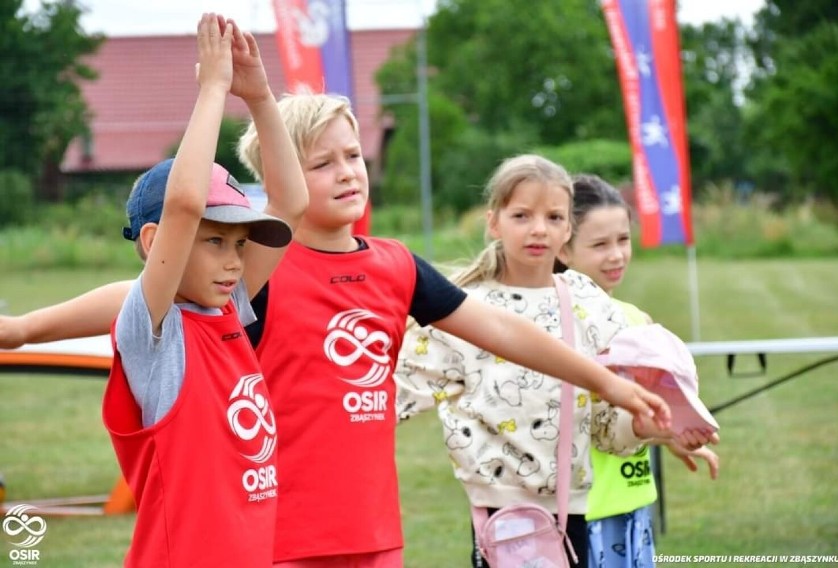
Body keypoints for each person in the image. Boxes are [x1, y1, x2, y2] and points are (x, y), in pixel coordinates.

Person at [0, 96, 671, 567]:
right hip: (275, 537)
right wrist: (28, 327)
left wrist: (607, 381)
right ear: (284, 176)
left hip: (374, 534)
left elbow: (498, 327)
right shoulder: (251, 268)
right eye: (323, 163)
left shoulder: (396, 265)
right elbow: (143, 297)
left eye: (352, 154)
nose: (348, 170)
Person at [393, 155, 719, 568]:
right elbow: (386, 399)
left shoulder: (591, 307)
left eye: (553, 217)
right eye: (522, 215)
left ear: (567, 230)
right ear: (494, 222)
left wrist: (646, 426)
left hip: (577, 517)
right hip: (501, 520)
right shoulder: (462, 313)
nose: (538, 229)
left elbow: (605, 429)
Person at [99, 14, 306, 566]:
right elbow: (185, 205)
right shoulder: (156, 330)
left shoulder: (229, 311)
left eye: (240, 245)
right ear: (154, 242)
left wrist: (260, 97)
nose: (234, 262)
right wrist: (213, 88)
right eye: (214, 241)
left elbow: (290, 207)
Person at [559, 173, 719, 568]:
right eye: (600, 244)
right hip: (580, 513)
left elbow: (645, 413)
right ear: (563, 250)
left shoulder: (637, 320)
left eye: (623, 240)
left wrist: (672, 437)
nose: (616, 255)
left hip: (632, 501)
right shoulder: (554, 329)